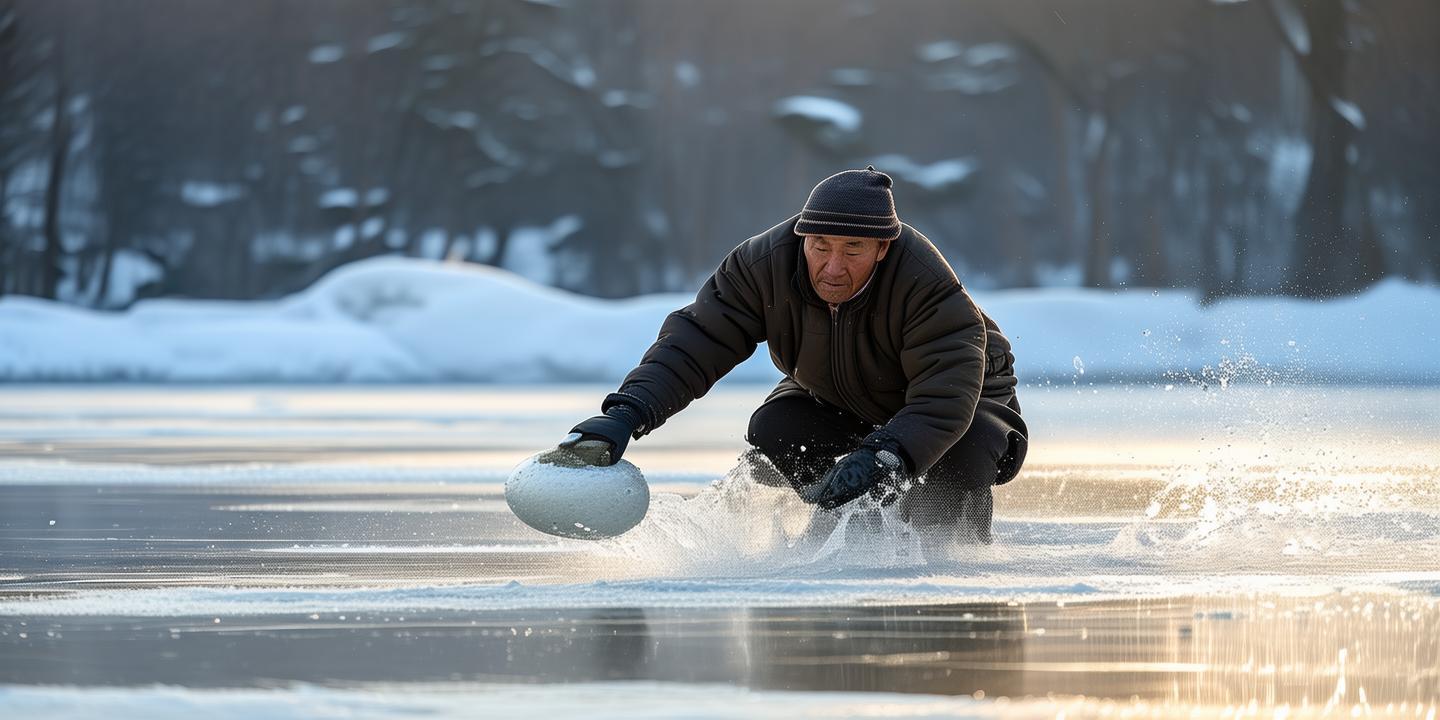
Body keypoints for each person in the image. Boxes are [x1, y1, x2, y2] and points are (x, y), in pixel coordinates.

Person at [558, 167, 1027, 543]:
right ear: (803, 236)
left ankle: (949, 546)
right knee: (777, 428)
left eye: (853, 250)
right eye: (819, 247)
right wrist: (626, 413)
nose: (833, 267)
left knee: (958, 458)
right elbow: (696, 341)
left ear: (883, 248)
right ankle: (840, 519)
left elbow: (943, 399)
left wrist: (889, 455)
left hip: (963, 400)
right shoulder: (763, 267)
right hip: (834, 389)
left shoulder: (927, 285)